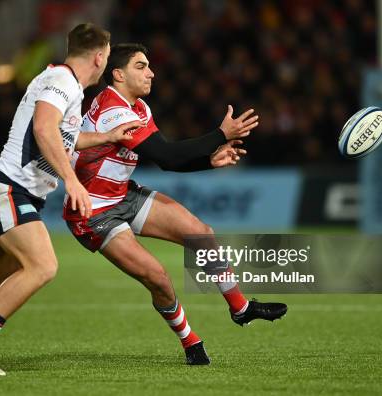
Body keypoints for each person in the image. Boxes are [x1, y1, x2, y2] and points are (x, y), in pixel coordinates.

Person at [0, 24, 143, 376]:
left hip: (17, 191)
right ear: (99, 57)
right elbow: (43, 128)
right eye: (108, 54)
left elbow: (61, 137)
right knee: (43, 266)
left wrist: (107, 136)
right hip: (9, 188)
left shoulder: (66, 84)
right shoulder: (62, 82)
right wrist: (72, 182)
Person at [63, 43, 287, 365]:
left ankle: (240, 307)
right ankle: (190, 341)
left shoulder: (138, 108)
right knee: (158, 277)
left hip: (122, 194)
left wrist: (209, 161)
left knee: (201, 232)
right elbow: (167, 155)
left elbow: (165, 160)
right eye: (141, 66)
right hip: (93, 211)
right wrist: (220, 134)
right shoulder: (115, 110)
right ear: (118, 74)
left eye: (150, 66)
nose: (151, 72)